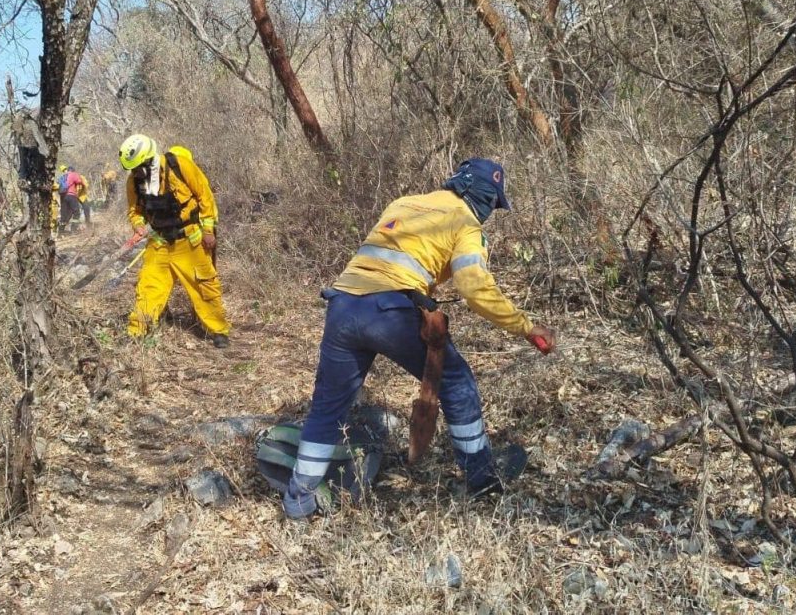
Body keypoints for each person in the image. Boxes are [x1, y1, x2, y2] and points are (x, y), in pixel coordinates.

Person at [281, 158, 556, 519]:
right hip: (389, 312)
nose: (491, 211)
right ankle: (482, 478)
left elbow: (395, 260)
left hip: (342, 306)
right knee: (456, 382)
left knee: (327, 407)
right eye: (493, 203)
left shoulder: (404, 203)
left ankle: (298, 501)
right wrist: (526, 327)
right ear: (484, 197)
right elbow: (474, 287)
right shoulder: (465, 222)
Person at [118, 133, 230, 347]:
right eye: (133, 170)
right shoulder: (134, 181)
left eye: (139, 168)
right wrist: (138, 224)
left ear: (149, 159)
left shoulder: (180, 166)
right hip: (159, 242)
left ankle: (218, 330)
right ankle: (137, 331)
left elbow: (205, 197)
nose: (137, 173)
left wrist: (208, 230)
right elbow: (134, 211)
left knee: (204, 286)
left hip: (190, 241)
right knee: (149, 287)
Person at [57, 164, 85, 232]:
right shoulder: (73, 174)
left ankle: (61, 231)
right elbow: (79, 182)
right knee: (76, 212)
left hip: (63, 197)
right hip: (71, 195)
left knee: (64, 214)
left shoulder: (63, 176)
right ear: (73, 170)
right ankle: (74, 229)